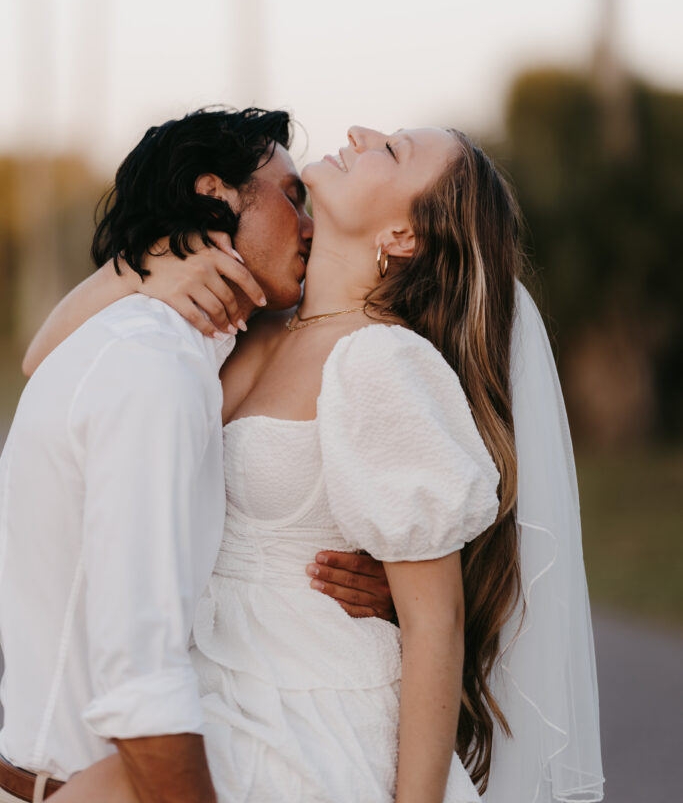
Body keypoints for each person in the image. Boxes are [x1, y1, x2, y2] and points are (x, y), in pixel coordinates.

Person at [23, 123, 604, 802]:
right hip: (215, 693)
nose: (360, 132)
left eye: (390, 151)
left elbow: (433, 623)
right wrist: (140, 269)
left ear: (401, 238)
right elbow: (51, 366)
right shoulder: (252, 325)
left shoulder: (382, 361)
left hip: (309, 718)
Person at [0, 109, 395, 803]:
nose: (310, 225)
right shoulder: (154, 367)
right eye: (290, 196)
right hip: (97, 787)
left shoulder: (163, 348)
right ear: (214, 192)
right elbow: (141, 687)